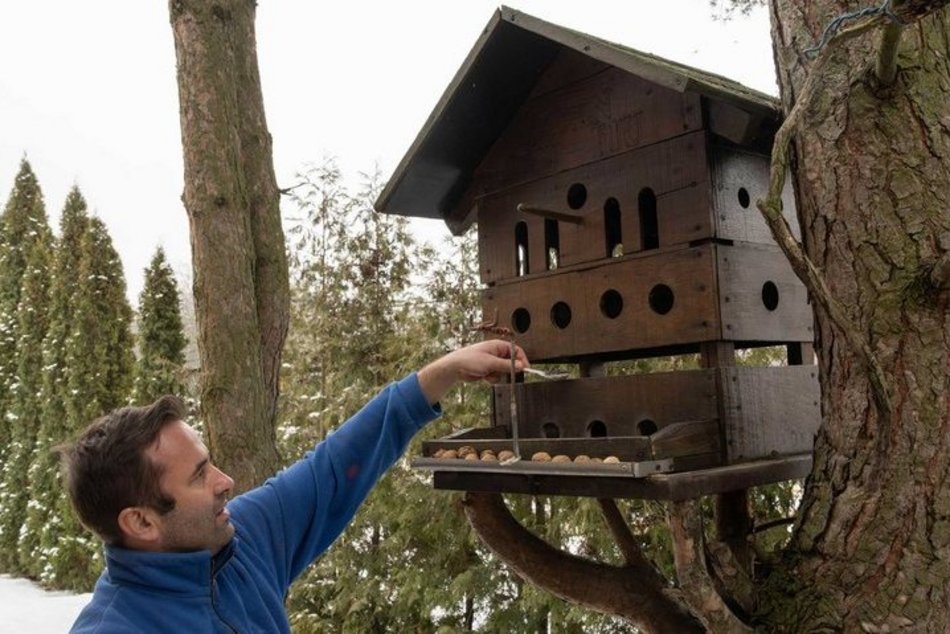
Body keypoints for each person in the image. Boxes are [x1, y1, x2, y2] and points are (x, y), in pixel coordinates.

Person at [66, 339, 528, 633]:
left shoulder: (241, 541)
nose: (225, 481)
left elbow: (333, 469)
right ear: (141, 521)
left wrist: (443, 371)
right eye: (199, 476)